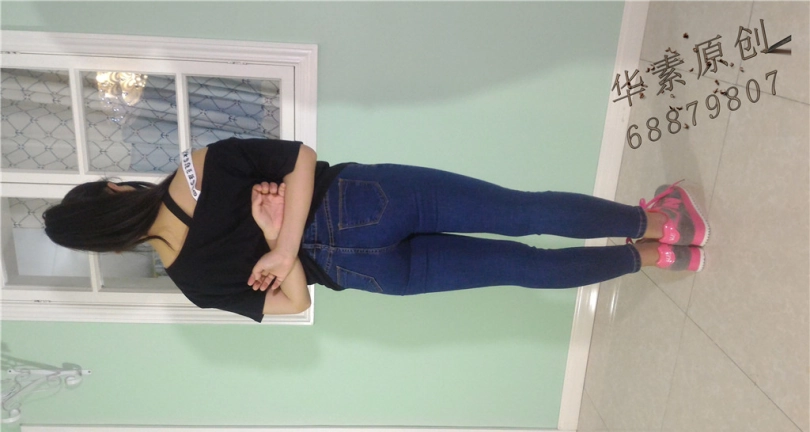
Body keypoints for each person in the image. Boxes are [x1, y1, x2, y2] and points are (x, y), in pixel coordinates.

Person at [43, 138, 709, 322]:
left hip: (364, 273)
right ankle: (662, 219)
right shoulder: (195, 168)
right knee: (522, 212)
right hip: (364, 202)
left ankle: (658, 257)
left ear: (113, 242)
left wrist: (279, 250)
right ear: (113, 191)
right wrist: (279, 234)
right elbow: (302, 158)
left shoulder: (191, 282)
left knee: (519, 267)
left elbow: (295, 302)